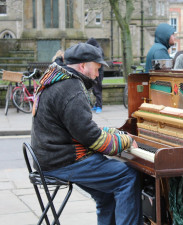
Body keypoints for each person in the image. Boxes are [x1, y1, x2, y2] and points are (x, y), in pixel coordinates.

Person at [31, 42, 143, 225]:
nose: (98, 75)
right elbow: (91, 138)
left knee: (107, 194)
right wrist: (125, 141)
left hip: (50, 157)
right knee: (127, 176)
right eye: (97, 68)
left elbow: (79, 128)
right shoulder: (70, 87)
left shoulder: (57, 79)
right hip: (63, 161)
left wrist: (113, 132)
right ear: (83, 65)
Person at [86, 37, 104, 113]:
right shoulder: (96, 49)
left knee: (97, 89)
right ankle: (97, 105)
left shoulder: (98, 50)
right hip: (95, 71)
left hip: (98, 72)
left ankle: (99, 106)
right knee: (94, 89)